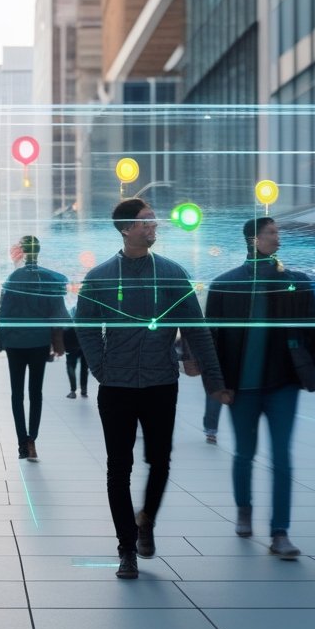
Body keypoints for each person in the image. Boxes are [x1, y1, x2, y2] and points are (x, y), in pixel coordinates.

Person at [76, 198, 231, 580]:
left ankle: (146, 519)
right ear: (126, 229)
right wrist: (101, 367)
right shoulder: (99, 277)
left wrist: (214, 380)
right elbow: (84, 326)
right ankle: (126, 547)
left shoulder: (173, 274)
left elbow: (198, 330)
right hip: (117, 388)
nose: (153, 226)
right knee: (118, 468)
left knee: (159, 461)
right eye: (146, 222)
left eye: (153, 221)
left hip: (162, 384)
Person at [205, 217, 315, 559]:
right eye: (271, 232)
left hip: (283, 384)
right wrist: (216, 384)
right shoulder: (225, 285)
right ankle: (244, 509)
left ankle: (280, 532)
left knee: (282, 458)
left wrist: (306, 362)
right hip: (242, 387)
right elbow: (210, 338)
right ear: (252, 239)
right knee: (244, 452)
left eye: (278, 232)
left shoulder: (295, 282)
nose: (278, 238)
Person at [0, 235, 68, 460]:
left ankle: (21, 442)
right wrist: (58, 342)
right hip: (39, 342)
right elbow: (57, 313)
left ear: (22, 251)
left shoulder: (12, 279)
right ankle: (32, 439)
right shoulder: (48, 279)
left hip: (15, 343)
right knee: (36, 393)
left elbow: (3, 313)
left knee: (17, 393)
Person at [62, 305, 89, 399]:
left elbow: (64, 327)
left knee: (70, 366)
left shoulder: (70, 310)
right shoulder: (86, 311)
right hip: (84, 342)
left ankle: (73, 391)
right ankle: (84, 389)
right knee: (84, 367)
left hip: (71, 341)